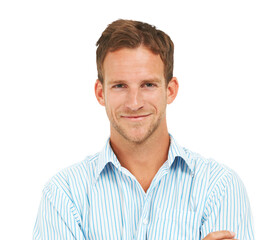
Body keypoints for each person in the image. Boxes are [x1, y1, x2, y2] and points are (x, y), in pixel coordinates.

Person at [33, 19, 254, 240]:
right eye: (120, 86)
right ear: (101, 93)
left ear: (170, 90)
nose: (134, 102)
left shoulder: (219, 187)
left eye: (148, 85)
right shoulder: (64, 195)